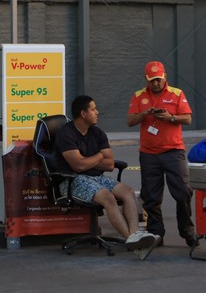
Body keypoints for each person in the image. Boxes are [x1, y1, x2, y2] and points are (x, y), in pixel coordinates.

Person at [55, 95, 161, 258]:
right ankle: (132, 241)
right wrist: (99, 156)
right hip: (73, 180)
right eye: (93, 109)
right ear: (83, 113)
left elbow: (110, 164)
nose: (97, 112)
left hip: (97, 178)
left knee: (128, 192)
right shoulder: (66, 134)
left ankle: (135, 236)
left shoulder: (97, 133)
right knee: (108, 197)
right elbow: (78, 166)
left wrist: (87, 160)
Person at [127, 61, 197, 248]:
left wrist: (170, 118)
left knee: (183, 192)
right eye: (152, 80)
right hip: (148, 154)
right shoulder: (138, 96)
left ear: (165, 77)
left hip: (174, 151)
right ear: (146, 79)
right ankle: (156, 233)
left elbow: (188, 118)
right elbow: (130, 121)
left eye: (158, 79)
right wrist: (144, 114)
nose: (156, 83)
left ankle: (187, 231)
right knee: (151, 196)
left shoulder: (177, 93)